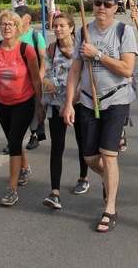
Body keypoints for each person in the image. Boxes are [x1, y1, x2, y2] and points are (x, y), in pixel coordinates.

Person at [62, 0, 138, 233]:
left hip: (116, 99)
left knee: (108, 154)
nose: (101, 8)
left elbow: (127, 69)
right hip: (87, 100)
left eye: (107, 4)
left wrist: (98, 55)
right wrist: (68, 102)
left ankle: (110, 208)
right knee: (90, 158)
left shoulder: (123, 31)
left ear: (116, 7)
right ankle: (110, 179)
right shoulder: (84, 30)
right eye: (97, 3)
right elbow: (75, 68)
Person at [0, 10, 42, 207]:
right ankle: (24, 167)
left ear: (17, 28)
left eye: (11, 24)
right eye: (3, 24)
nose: (7, 27)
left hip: (24, 101)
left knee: (14, 140)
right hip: (1, 103)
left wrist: (42, 106)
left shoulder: (26, 50)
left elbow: (37, 80)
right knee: (12, 139)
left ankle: (11, 189)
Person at [41, 13, 90, 209]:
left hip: (78, 103)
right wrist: (46, 83)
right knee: (57, 146)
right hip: (56, 105)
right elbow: (43, 74)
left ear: (71, 28)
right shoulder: (51, 49)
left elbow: (87, 80)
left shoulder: (82, 49)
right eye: (55, 26)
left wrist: (71, 101)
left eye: (62, 26)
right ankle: (54, 192)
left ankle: (83, 177)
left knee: (82, 142)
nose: (58, 29)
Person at [14, 5, 47, 151]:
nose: (18, 20)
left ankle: (34, 134)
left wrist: (40, 77)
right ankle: (14, 138)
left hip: (32, 78)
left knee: (34, 107)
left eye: (21, 17)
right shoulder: (13, 35)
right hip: (17, 80)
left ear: (28, 18)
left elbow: (43, 59)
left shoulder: (36, 36)